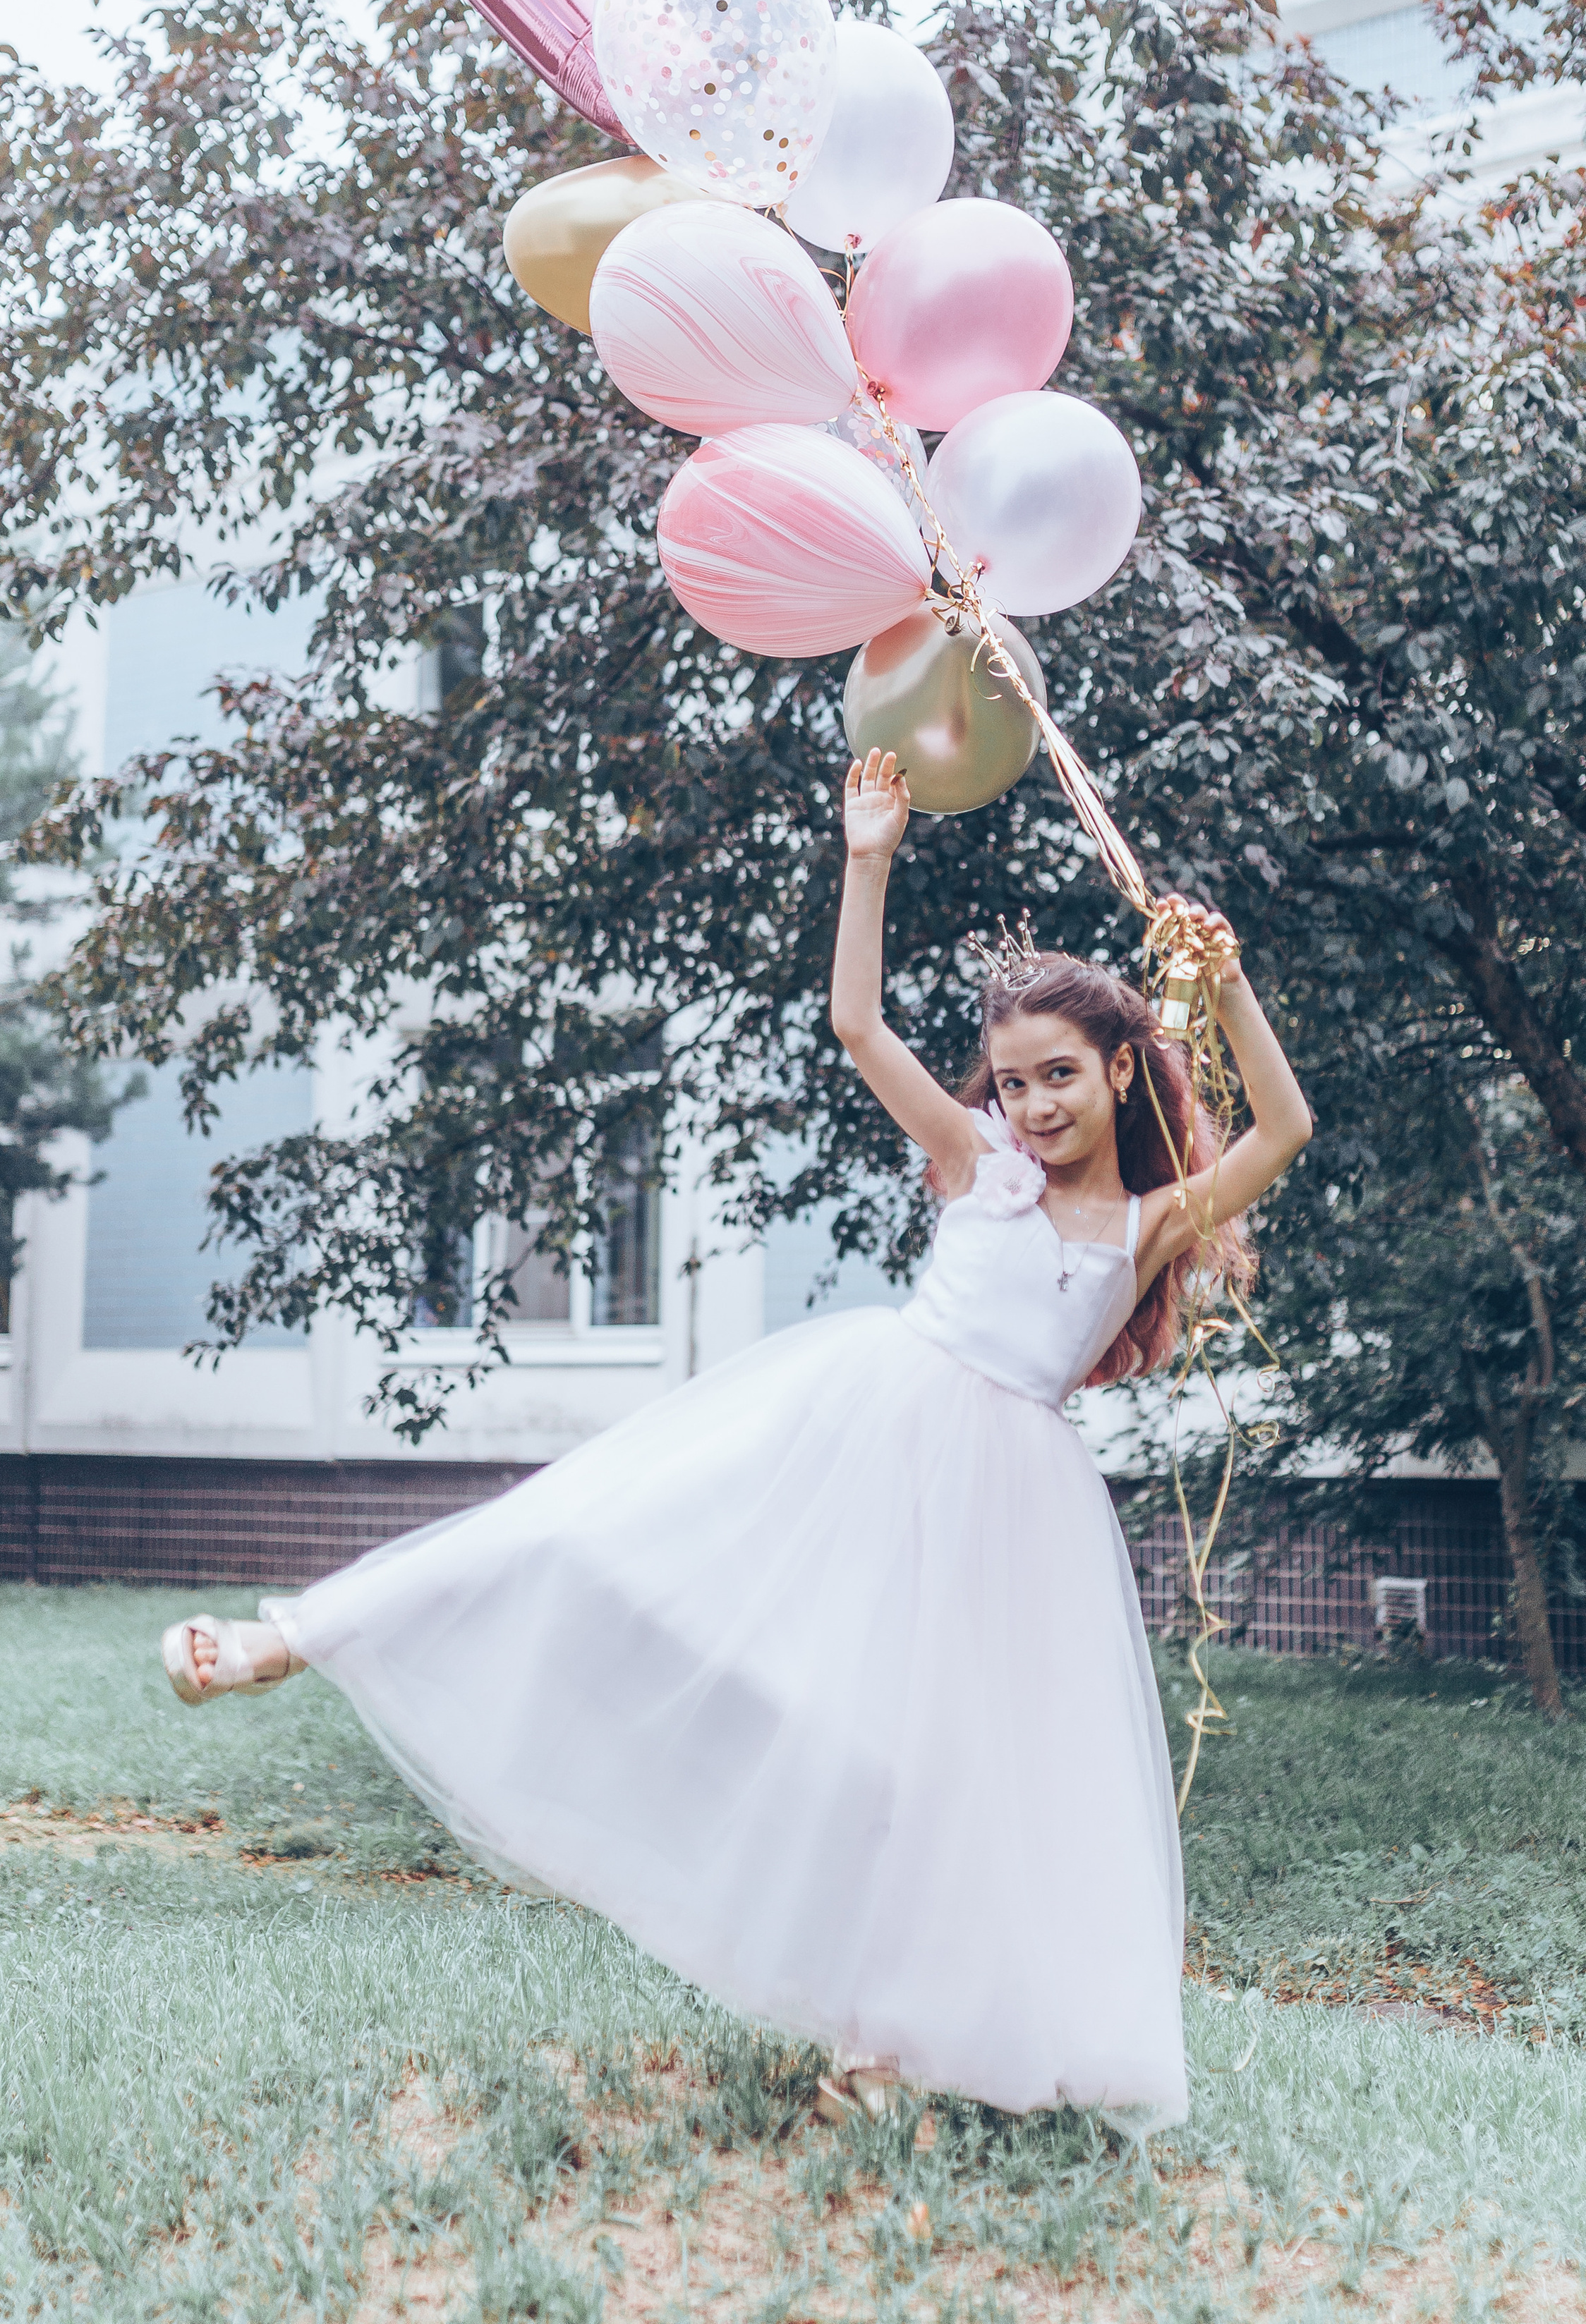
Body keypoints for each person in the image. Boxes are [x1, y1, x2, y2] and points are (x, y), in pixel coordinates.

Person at [161, 746, 1312, 2129]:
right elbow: (854, 1029)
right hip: (863, 1427)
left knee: (938, 1775)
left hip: (1010, 1512)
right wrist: (866, 855)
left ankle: (883, 2055)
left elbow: (1284, 1124)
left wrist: (1226, 981)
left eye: (1058, 1076)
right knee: (585, 1527)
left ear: (1121, 1071)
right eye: (1011, 1083)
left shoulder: (1144, 1226)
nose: (1033, 1106)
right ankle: (294, 1636)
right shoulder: (974, 1169)